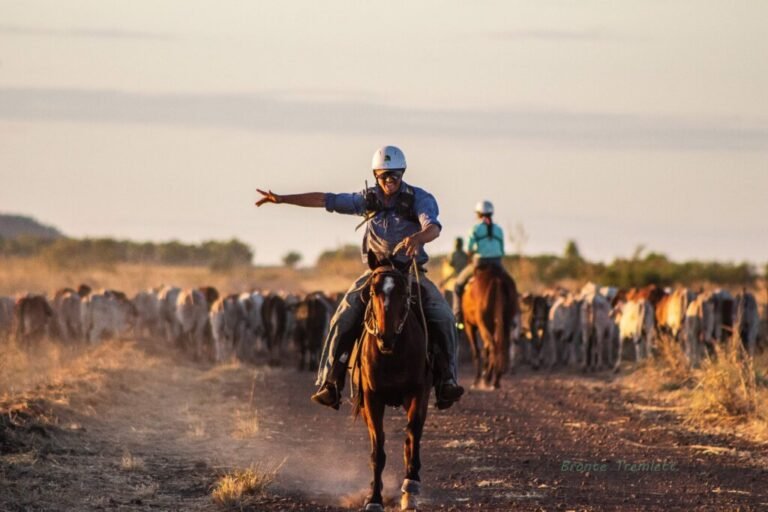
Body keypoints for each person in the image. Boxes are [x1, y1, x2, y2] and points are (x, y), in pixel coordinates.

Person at [256, 145, 464, 410]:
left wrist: (418, 237)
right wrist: (283, 199)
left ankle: (447, 380)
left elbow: (432, 226)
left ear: (403, 174)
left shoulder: (419, 198)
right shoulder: (366, 199)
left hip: (410, 274)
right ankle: (331, 382)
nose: (390, 182)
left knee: (445, 317)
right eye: (384, 176)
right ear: (375, 176)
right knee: (342, 317)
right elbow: (326, 200)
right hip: (375, 274)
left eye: (395, 176)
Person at [452, 200, 507, 325]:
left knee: (458, 286)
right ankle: (515, 316)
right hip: (497, 264)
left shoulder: (475, 229)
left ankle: (457, 317)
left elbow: (470, 250)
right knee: (511, 284)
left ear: (478, 214)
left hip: (480, 263)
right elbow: (502, 251)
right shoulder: (499, 229)